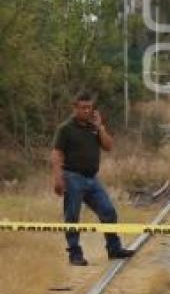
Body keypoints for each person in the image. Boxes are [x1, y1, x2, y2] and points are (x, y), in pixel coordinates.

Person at [51, 91, 135, 266]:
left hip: (92, 178)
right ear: (75, 108)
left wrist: (100, 127)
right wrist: (58, 177)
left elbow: (109, 146)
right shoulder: (65, 129)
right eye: (83, 108)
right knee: (72, 216)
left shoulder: (93, 127)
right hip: (72, 177)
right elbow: (57, 153)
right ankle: (75, 253)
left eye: (89, 107)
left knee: (108, 211)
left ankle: (114, 248)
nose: (87, 111)